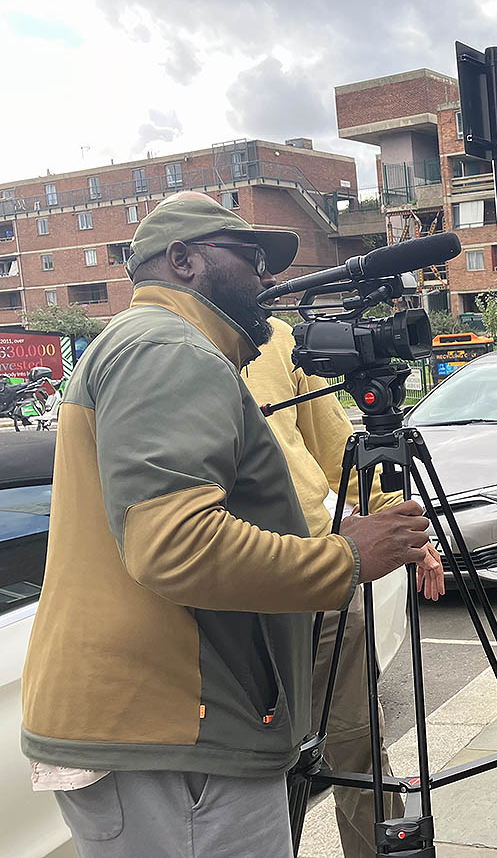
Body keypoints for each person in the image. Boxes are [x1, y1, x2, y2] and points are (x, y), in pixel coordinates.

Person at [22, 191, 432, 858]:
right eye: (249, 256)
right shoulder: (167, 348)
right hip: (171, 737)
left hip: (166, 732)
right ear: (183, 260)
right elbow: (174, 545)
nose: (267, 276)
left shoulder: (152, 344)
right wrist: (346, 558)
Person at [243, 314, 444, 858]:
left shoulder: (280, 337)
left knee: (358, 745)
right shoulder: (164, 347)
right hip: (235, 589)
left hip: (323, 575)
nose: (260, 275)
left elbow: (338, 452)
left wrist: (402, 524)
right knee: (258, 768)